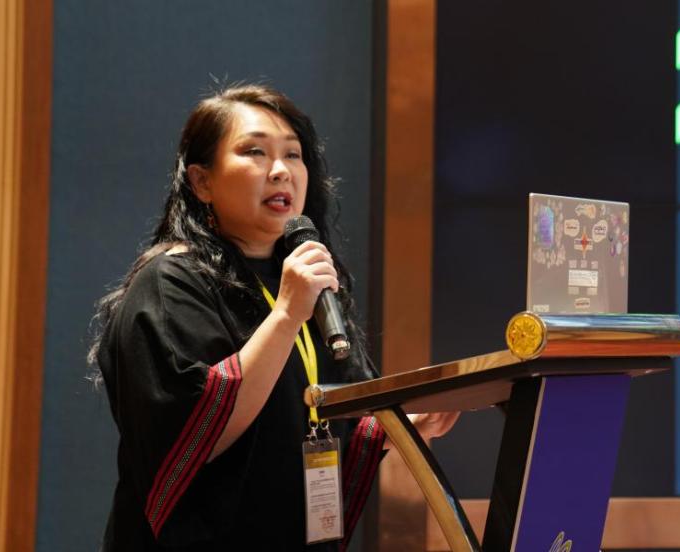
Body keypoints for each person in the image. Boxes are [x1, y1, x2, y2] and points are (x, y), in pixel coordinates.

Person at [89, 84, 457, 551]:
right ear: (202, 182)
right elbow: (197, 432)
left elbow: (315, 418)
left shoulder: (306, 283)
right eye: (255, 152)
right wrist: (285, 315)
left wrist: (397, 428)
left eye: (293, 155)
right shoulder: (170, 283)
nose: (281, 171)